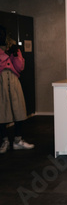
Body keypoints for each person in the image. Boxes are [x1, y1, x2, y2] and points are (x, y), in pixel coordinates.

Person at [0, 25, 35, 154]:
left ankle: (18, 140)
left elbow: (19, 67)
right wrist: (6, 57)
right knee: (2, 111)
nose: (1, 36)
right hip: (1, 81)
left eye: (3, 33)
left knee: (18, 109)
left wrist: (15, 55)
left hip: (14, 80)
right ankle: (4, 141)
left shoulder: (13, 48)